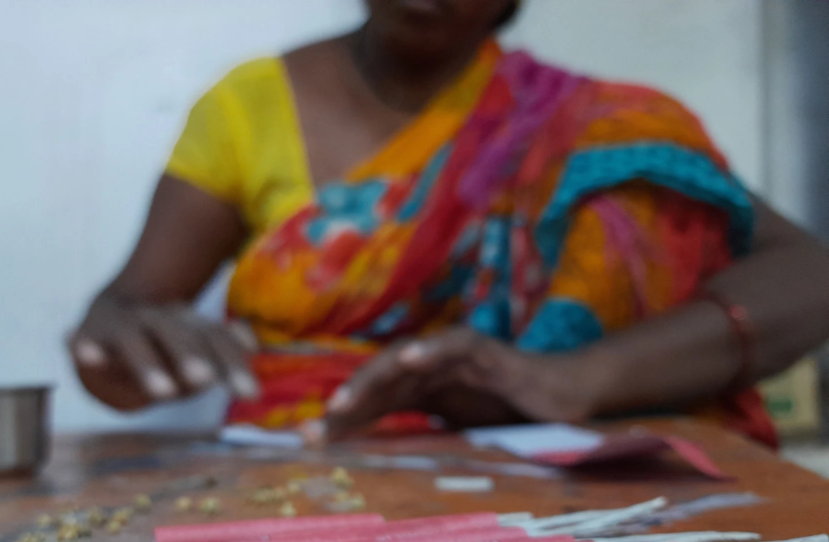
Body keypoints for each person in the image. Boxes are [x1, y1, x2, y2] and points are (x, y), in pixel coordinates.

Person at [69, 0, 829, 448]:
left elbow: (809, 277)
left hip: (551, 503)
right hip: (298, 479)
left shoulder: (593, 129)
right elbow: (126, 315)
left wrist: (577, 379)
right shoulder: (247, 110)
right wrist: (127, 338)